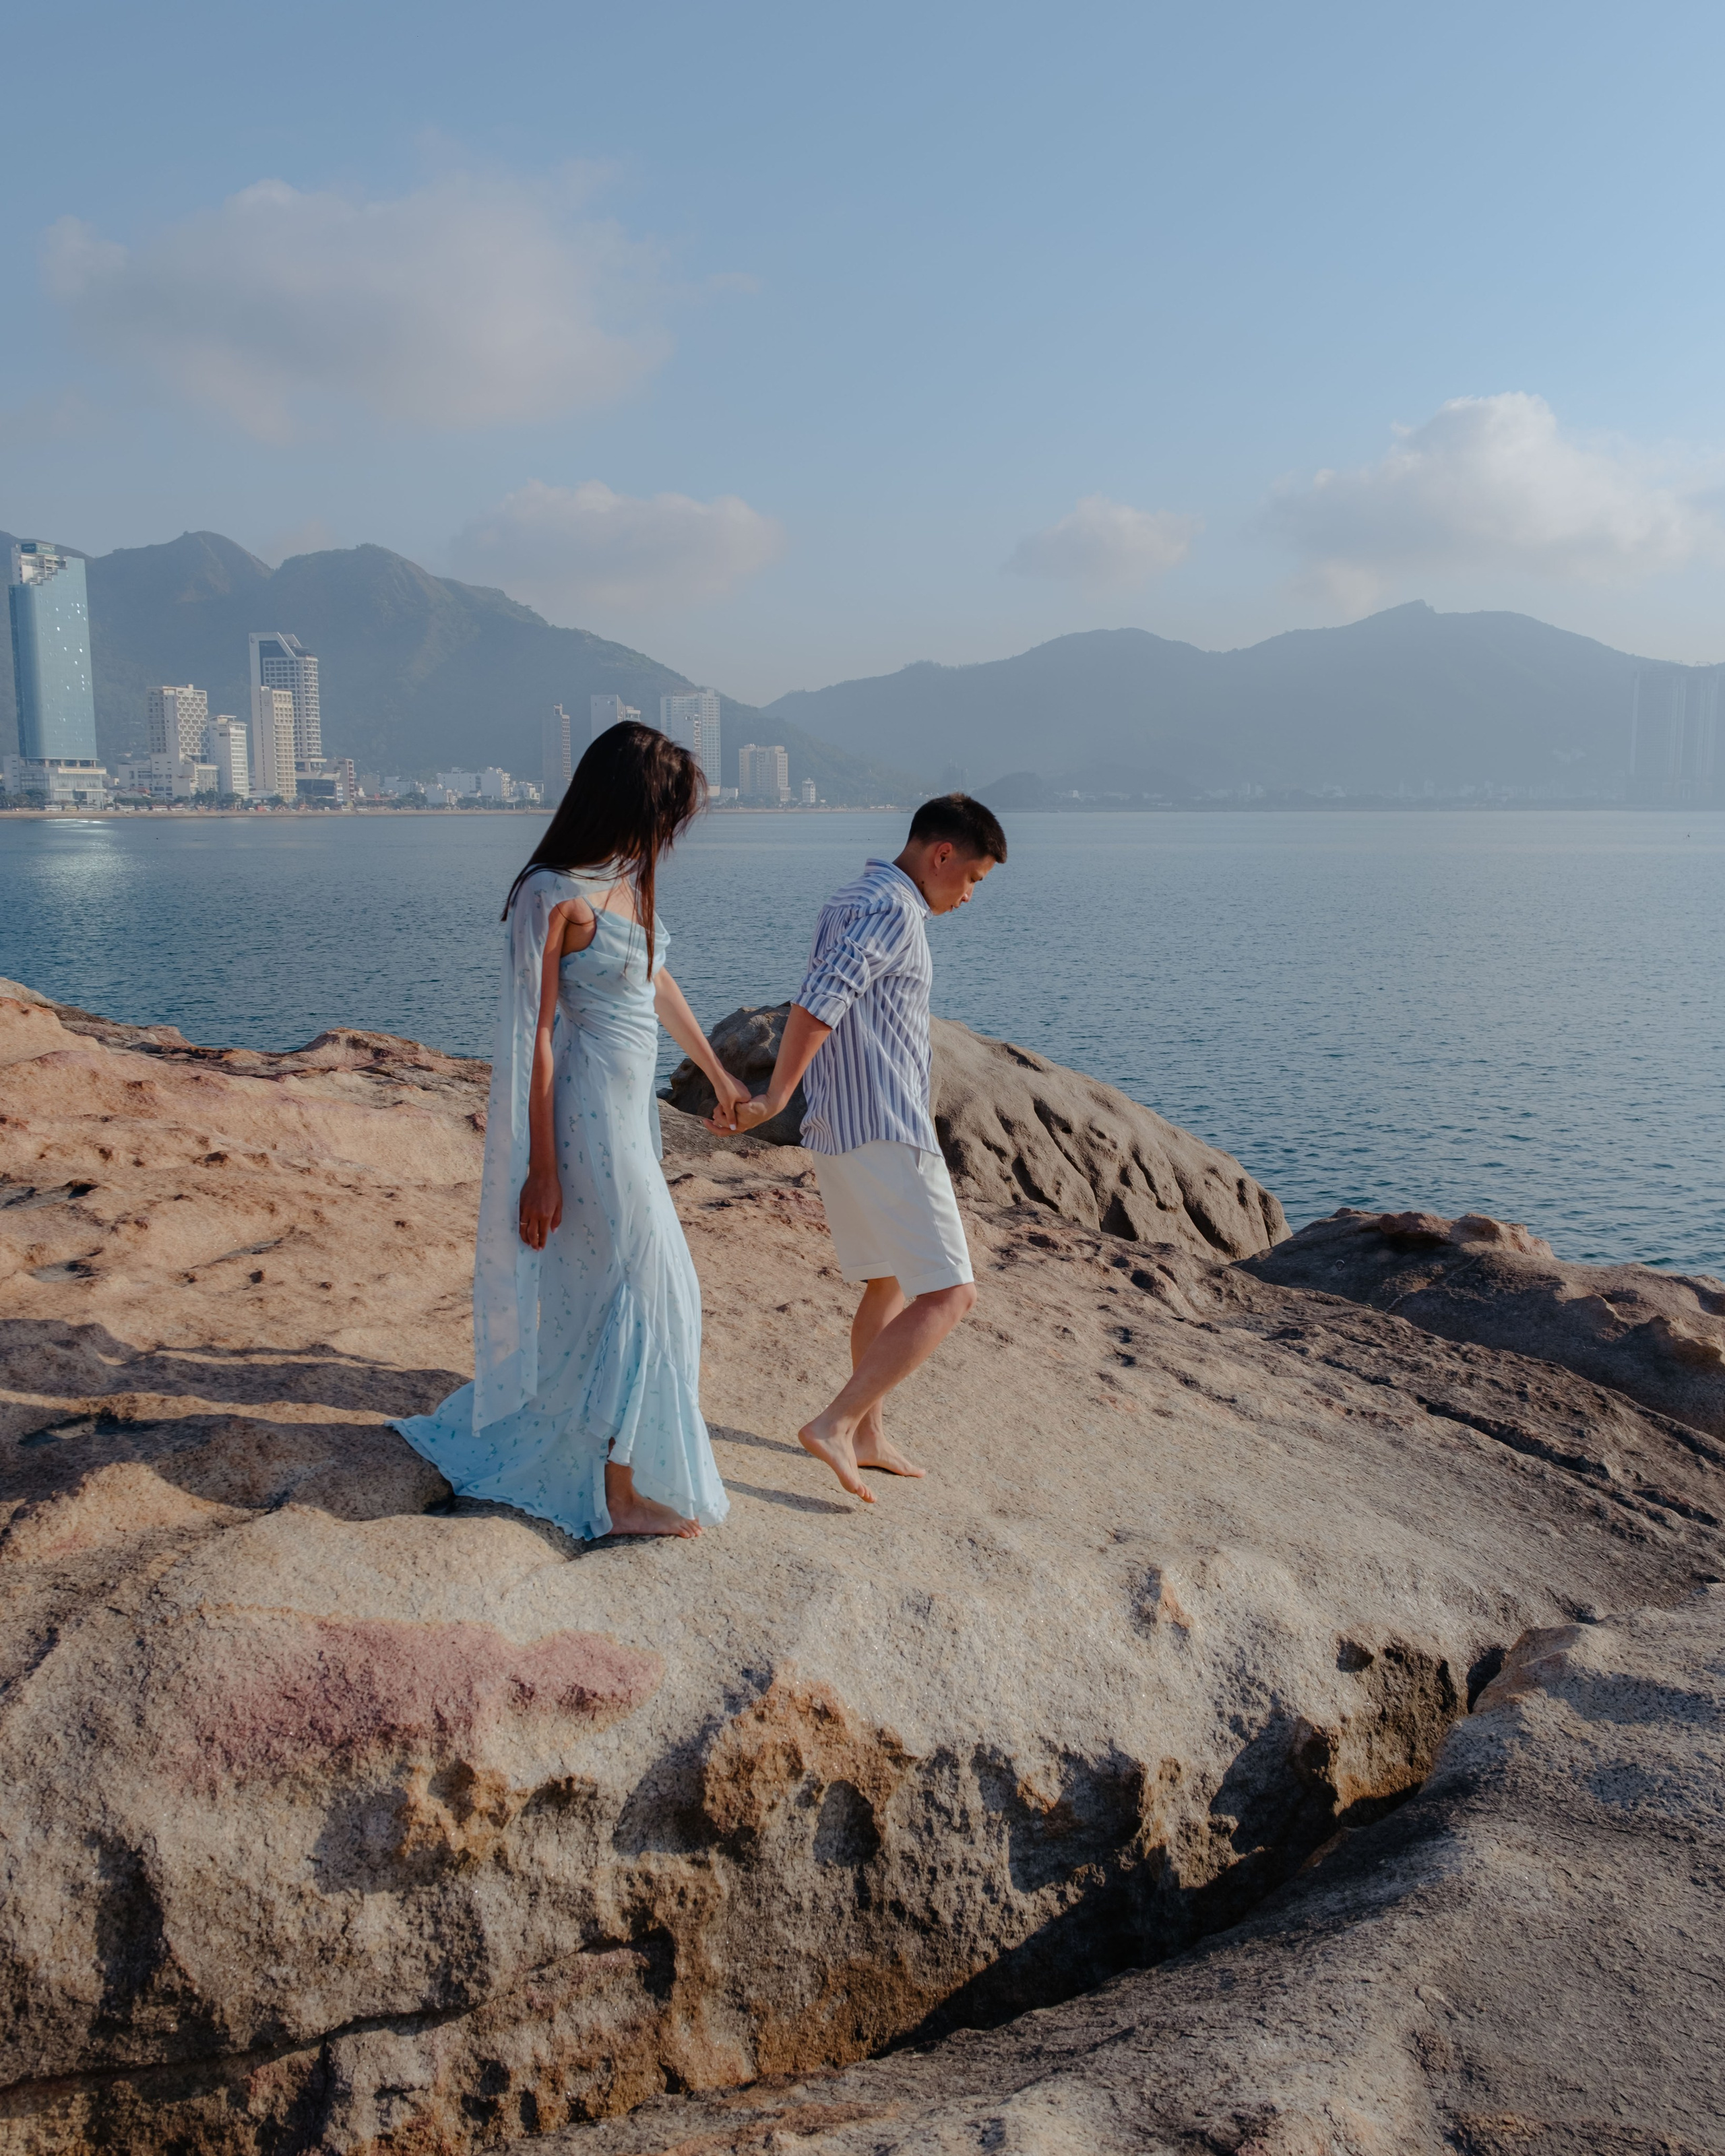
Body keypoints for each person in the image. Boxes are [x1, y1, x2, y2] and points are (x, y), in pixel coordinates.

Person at [396, 722, 749, 1542]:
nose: (669, 831)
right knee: (651, 1284)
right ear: (627, 801)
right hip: (589, 1115)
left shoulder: (623, 879)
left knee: (626, 1284)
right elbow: (536, 1037)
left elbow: (656, 980)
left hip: (630, 1115)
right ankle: (619, 1493)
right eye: (665, 811)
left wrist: (720, 1074)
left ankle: (617, 1464)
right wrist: (542, 1167)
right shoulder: (551, 892)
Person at [717, 794, 1007, 1502]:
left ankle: (870, 1434)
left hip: (841, 1129)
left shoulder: (852, 896)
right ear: (942, 854)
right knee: (952, 1293)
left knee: (888, 1281)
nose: (969, 896)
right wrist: (775, 1097)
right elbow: (820, 999)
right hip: (885, 1126)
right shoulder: (894, 909)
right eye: (972, 879)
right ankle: (836, 1423)